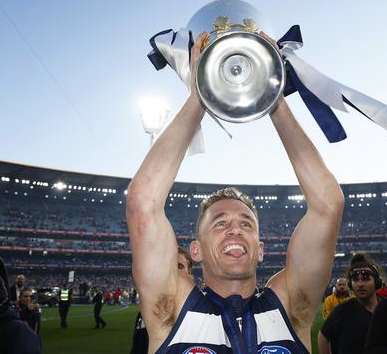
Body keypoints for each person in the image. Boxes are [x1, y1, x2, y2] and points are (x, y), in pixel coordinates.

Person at [127, 31, 344, 353]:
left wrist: (274, 97)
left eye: (246, 224)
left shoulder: (289, 308)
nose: (234, 229)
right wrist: (199, 96)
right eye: (219, 223)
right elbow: (143, 203)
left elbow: (328, 205)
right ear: (195, 250)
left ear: (259, 249)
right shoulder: (171, 309)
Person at [130, 246, 193, 354]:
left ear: (189, 273)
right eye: (168, 267)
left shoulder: (200, 312)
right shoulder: (146, 311)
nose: (173, 271)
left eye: (179, 266)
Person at [318, 254, 382, 354]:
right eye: (356, 279)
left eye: (365, 279)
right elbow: (323, 336)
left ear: (377, 282)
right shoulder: (342, 311)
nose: (360, 284)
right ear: (350, 285)